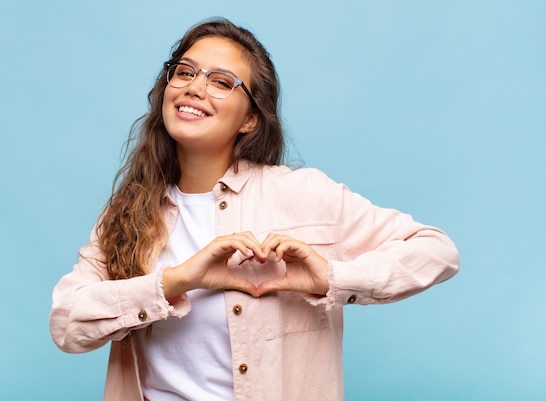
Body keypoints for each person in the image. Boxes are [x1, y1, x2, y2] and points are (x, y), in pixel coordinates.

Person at [49, 17, 459, 401]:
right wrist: (175, 281)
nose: (194, 87)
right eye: (185, 72)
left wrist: (331, 278)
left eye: (222, 82)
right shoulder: (130, 211)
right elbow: (67, 324)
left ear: (250, 119)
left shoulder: (303, 193)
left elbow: (436, 250)